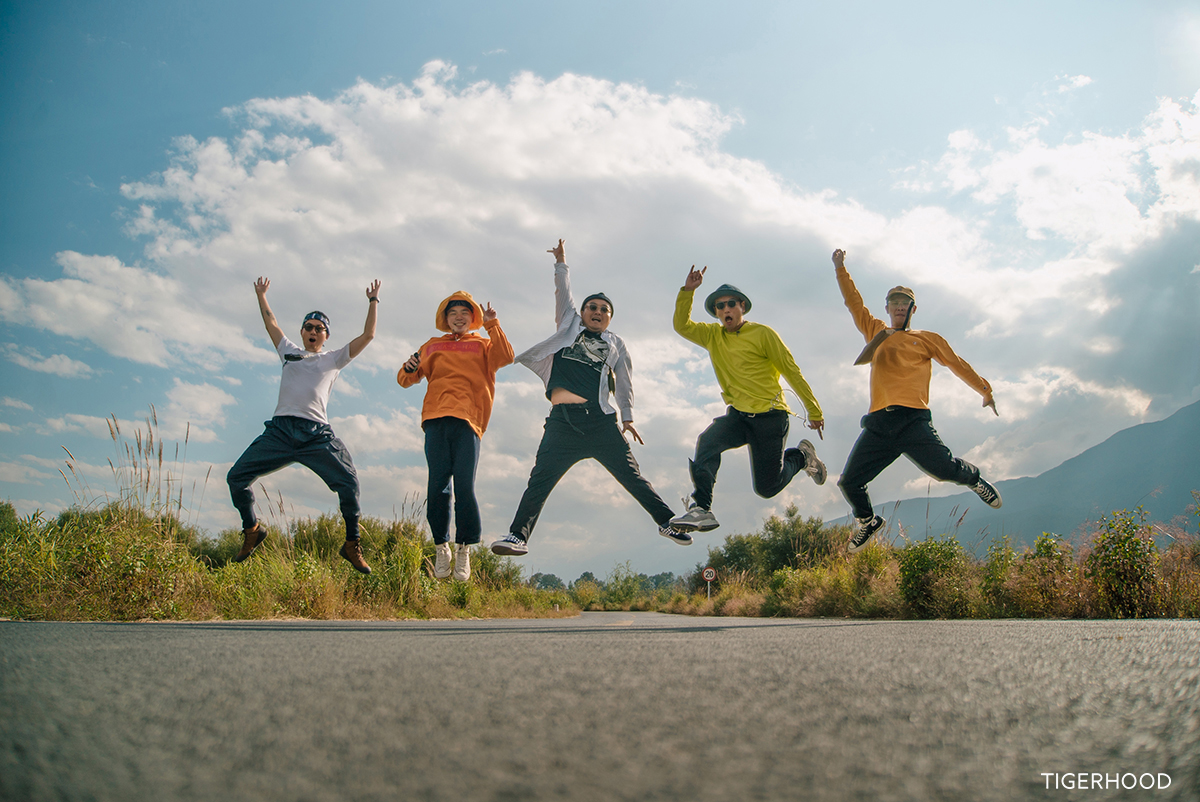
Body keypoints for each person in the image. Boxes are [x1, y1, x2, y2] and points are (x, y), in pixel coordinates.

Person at [491, 239, 691, 556]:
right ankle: (518, 536)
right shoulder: (569, 324)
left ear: (610, 318)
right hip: (563, 425)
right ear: (582, 313)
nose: (597, 312)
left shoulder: (615, 344)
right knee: (539, 480)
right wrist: (561, 262)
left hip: (600, 424)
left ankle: (667, 521)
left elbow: (624, 380)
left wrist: (627, 416)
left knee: (632, 476)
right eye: (592, 307)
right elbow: (563, 293)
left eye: (604, 310)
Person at [832, 248, 1002, 553]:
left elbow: (957, 364)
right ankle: (868, 521)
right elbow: (853, 302)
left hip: (913, 420)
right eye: (894, 303)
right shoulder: (875, 332)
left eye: (904, 303)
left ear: (913, 308)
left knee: (944, 470)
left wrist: (985, 390)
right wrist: (840, 267)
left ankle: (975, 480)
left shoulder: (927, 338)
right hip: (879, 424)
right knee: (849, 482)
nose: (899, 308)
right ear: (887, 308)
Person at [226, 277, 380, 574]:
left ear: (326, 335)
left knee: (349, 484)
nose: (312, 331)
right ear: (302, 332)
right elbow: (270, 322)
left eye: (318, 328)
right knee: (236, 477)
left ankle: (352, 544)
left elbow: (368, 335)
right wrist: (261, 295)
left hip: (316, 436)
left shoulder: (334, 359)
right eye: (308, 327)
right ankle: (252, 530)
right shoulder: (288, 352)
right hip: (281, 432)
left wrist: (373, 301)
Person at [670, 265, 827, 533]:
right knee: (708, 441)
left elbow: (791, 371)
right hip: (739, 417)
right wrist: (688, 292)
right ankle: (702, 508)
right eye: (720, 306)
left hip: (770, 418)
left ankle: (801, 457)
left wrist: (814, 410)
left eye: (731, 304)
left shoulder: (763, 334)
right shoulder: (712, 335)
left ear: (742, 306)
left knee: (767, 489)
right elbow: (681, 325)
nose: (725, 309)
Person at [398, 291, 514, 581]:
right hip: (435, 419)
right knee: (437, 487)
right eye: (453, 313)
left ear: (472, 317)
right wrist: (409, 367)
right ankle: (441, 546)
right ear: (445, 319)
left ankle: (463, 549)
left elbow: (507, 357)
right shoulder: (432, 345)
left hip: (469, 420)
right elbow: (404, 379)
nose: (459, 317)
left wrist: (492, 324)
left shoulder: (484, 344)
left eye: (464, 312)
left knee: (464, 487)